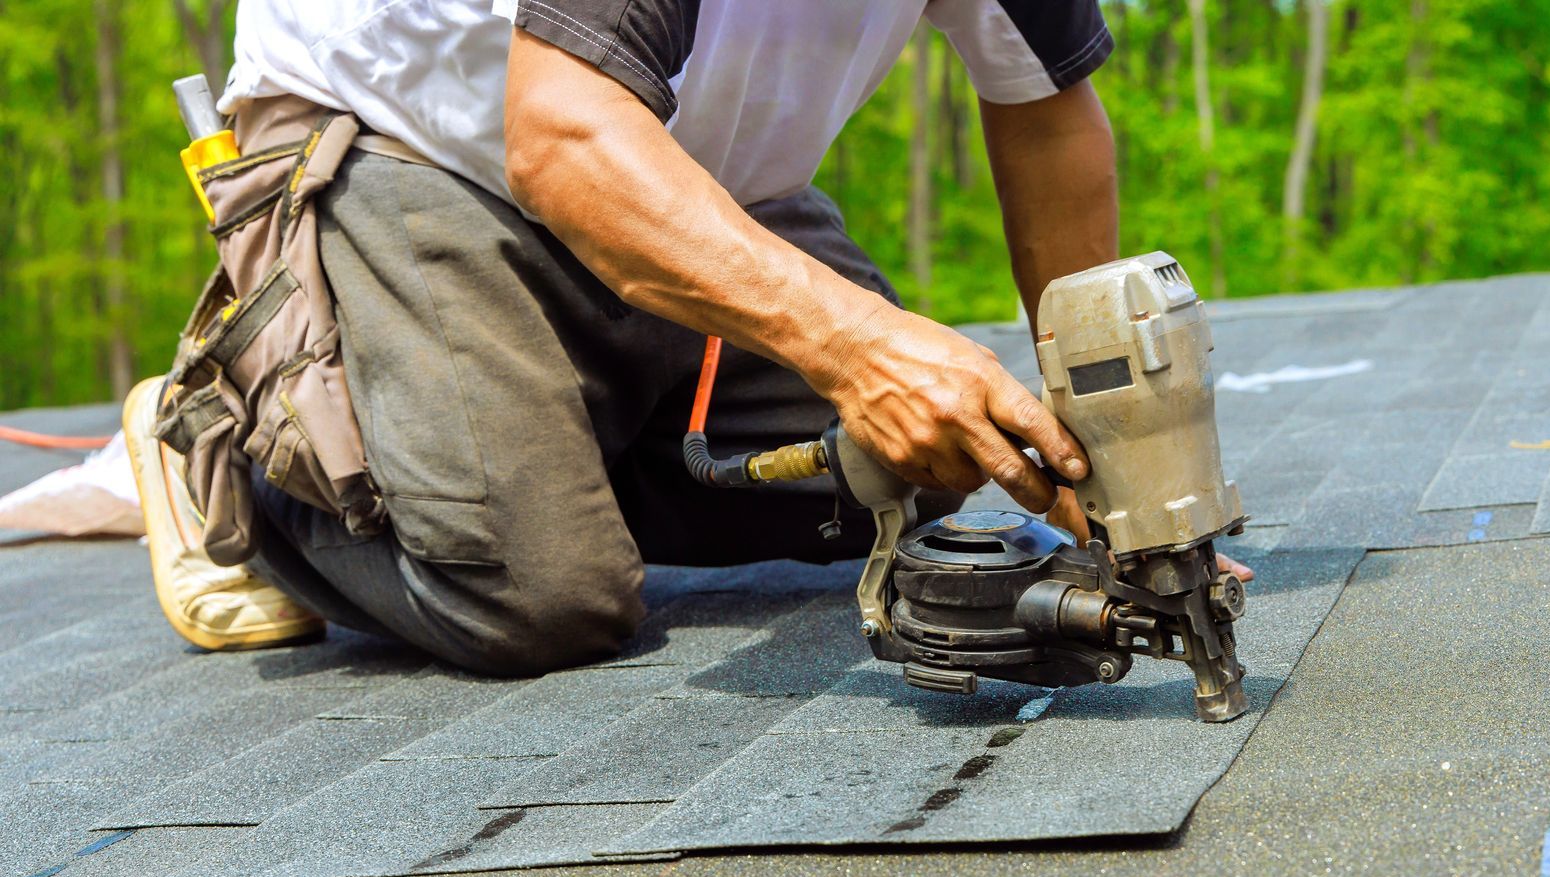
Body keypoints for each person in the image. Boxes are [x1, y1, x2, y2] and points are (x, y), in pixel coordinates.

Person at [124, 1, 1239, 673]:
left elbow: (1045, 117)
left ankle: (499, 447)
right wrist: (853, 345)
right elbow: (563, 138)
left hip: (669, 174)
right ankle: (230, 460)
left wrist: (1112, 470)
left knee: (914, 459)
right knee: (534, 593)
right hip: (412, 152)